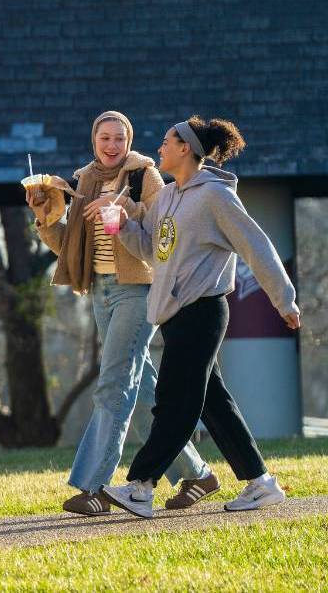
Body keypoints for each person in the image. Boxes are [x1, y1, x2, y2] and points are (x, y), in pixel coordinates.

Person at [102, 116, 300, 518]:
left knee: (175, 400)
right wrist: (123, 227)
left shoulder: (215, 197)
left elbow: (255, 246)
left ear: (185, 149)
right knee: (213, 402)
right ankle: (260, 483)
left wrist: (284, 299)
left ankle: (141, 486)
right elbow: (153, 251)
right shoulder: (168, 198)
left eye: (166, 141)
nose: (160, 147)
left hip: (204, 309)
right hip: (175, 314)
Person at [28, 111, 216, 517]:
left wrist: (124, 209)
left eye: (119, 138)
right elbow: (70, 247)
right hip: (99, 292)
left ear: (128, 142)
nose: (112, 145)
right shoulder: (84, 181)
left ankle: (94, 486)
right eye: (105, 138)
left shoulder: (145, 177)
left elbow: (162, 234)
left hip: (137, 291)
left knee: (113, 384)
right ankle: (197, 473)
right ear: (94, 140)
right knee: (143, 391)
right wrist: (46, 216)